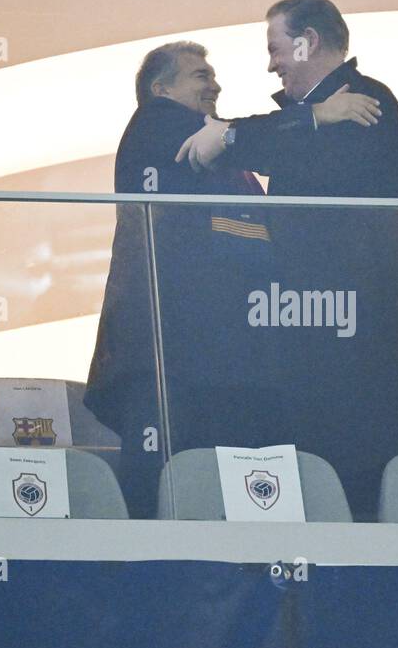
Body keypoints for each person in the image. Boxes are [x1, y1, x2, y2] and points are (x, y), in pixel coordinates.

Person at [86, 41, 379, 517]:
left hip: (227, 354)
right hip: (169, 350)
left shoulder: (215, 148)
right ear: (161, 89)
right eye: (200, 75)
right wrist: (317, 115)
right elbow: (245, 138)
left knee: (249, 496)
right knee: (167, 494)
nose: (214, 84)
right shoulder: (158, 124)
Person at [175, 0, 398, 518]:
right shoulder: (326, 109)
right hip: (325, 324)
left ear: (307, 41)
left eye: (275, 48)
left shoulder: (364, 99)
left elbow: (287, 150)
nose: (270, 63)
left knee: (364, 477)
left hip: (357, 325)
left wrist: (228, 134)